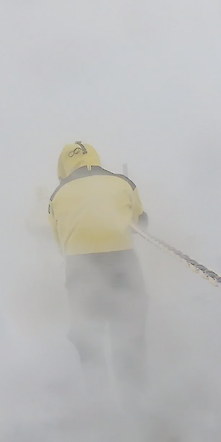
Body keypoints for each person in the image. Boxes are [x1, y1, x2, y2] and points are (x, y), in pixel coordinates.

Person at [48, 141, 149, 412]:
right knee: (128, 333)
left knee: (88, 336)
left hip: (80, 268)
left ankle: (99, 406)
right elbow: (142, 223)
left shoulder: (57, 195)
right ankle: (134, 404)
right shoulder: (123, 183)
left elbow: (60, 243)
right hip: (123, 263)